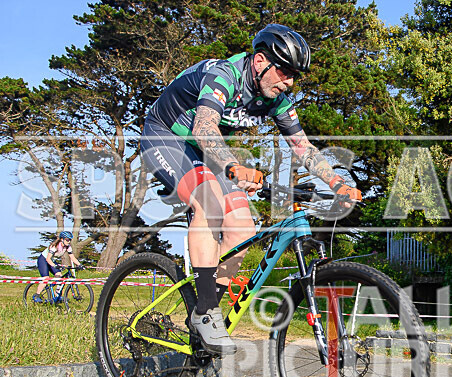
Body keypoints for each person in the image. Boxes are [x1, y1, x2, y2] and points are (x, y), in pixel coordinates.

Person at [141, 24, 362, 353]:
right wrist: (232, 165)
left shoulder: (276, 99)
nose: (289, 83)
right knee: (210, 206)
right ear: (260, 61)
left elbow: (303, 148)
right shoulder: (223, 76)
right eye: (285, 73)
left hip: (204, 149)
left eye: (294, 77)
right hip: (166, 136)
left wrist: (337, 182)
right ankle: (204, 312)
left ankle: (205, 321)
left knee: (243, 228)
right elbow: (204, 126)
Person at [32, 231, 83, 303]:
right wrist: (55, 266)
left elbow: (72, 257)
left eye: (70, 240)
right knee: (46, 278)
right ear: (62, 239)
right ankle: (37, 295)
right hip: (44, 260)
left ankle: (57, 295)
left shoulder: (68, 247)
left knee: (59, 276)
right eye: (67, 240)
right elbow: (48, 259)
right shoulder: (55, 246)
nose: (69, 242)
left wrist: (79, 265)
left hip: (52, 260)